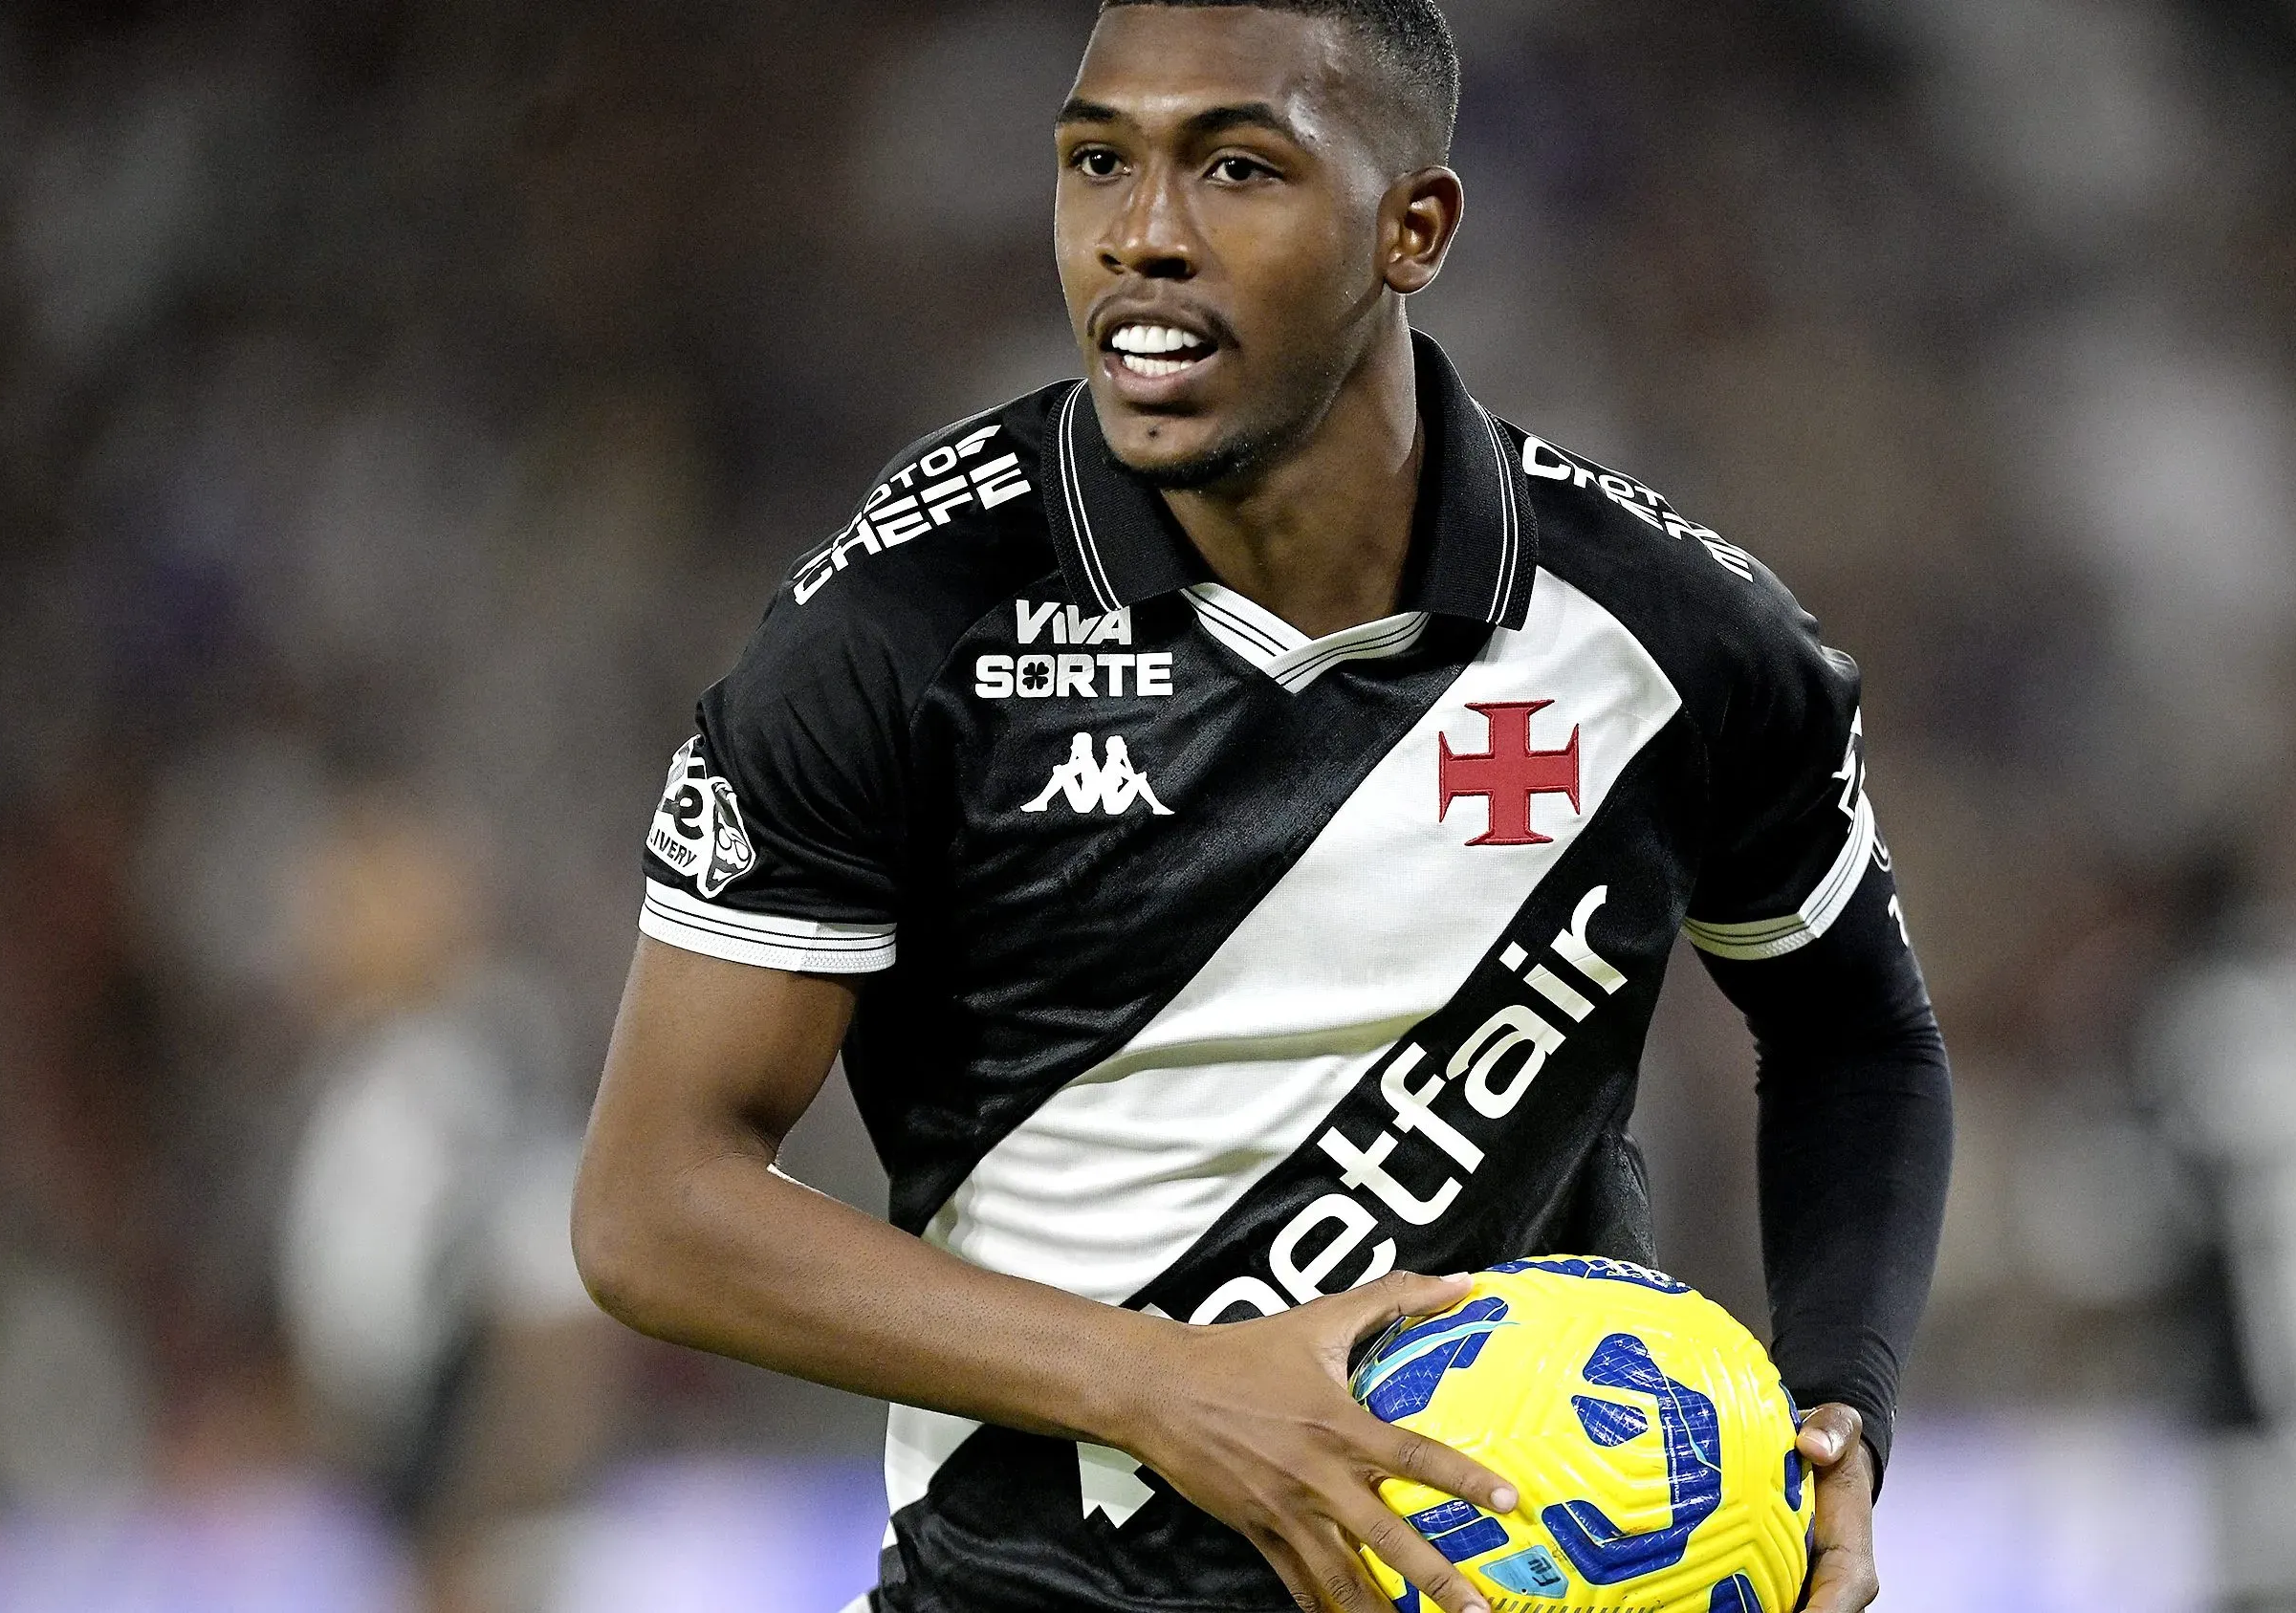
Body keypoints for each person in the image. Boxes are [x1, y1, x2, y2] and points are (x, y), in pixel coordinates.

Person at [572, 3, 1952, 1610]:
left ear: (1412, 227)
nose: (1142, 237)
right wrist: (1164, 1380)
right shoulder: (897, 631)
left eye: (1236, 167)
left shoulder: (1675, 638)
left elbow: (1860, 1035)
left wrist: (1842, 1402)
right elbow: (653, 1206)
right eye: (1099, 163)